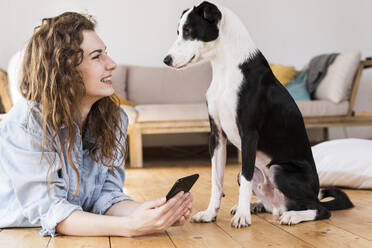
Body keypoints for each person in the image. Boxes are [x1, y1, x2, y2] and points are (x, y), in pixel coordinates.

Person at [0, 12, 193, 237]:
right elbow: (52, 213)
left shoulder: (114, 119)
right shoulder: (26, 123)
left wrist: (150, 212)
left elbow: (106, 196)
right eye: (96, 56)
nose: (111, 64)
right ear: (65, 70)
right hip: (18, 235)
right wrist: (131, 226)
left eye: (106, 53)